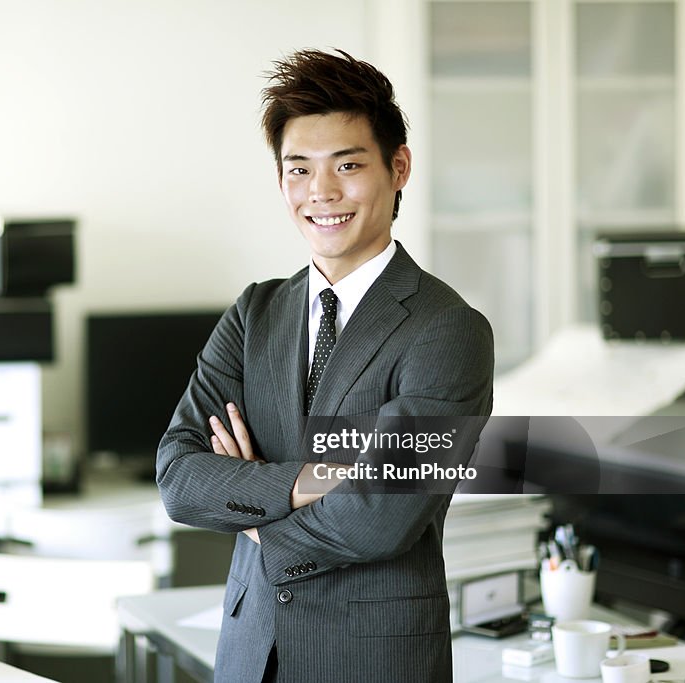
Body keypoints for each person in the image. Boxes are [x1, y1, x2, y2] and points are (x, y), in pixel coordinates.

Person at [156, 49, 494, 682]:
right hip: (250, 653)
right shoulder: (255, 312)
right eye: (299, 169)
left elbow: (379, 517)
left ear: (398, 168)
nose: (322, 193)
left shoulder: (449, 331)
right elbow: (177, 475)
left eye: (347, 165)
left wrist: (254, 498)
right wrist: (314, 478)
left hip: (372, 660)